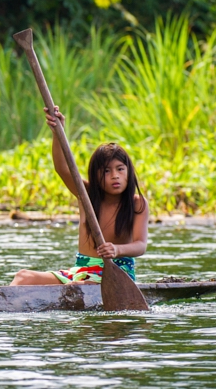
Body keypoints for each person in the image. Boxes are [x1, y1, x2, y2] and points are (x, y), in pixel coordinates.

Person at [11, 105, 148, 286]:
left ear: (128, 172)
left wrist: (116, 249)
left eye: (120, 169)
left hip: (116, 273)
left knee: (77, 287)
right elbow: (62, 169)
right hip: (81, 270)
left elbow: (140, 245)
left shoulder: (137, 203)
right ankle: (0, 308)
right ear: (96, 175)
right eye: (107, 171)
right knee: (24, 277)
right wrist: (57, 132)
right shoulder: (86, 195)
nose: (115, 176)